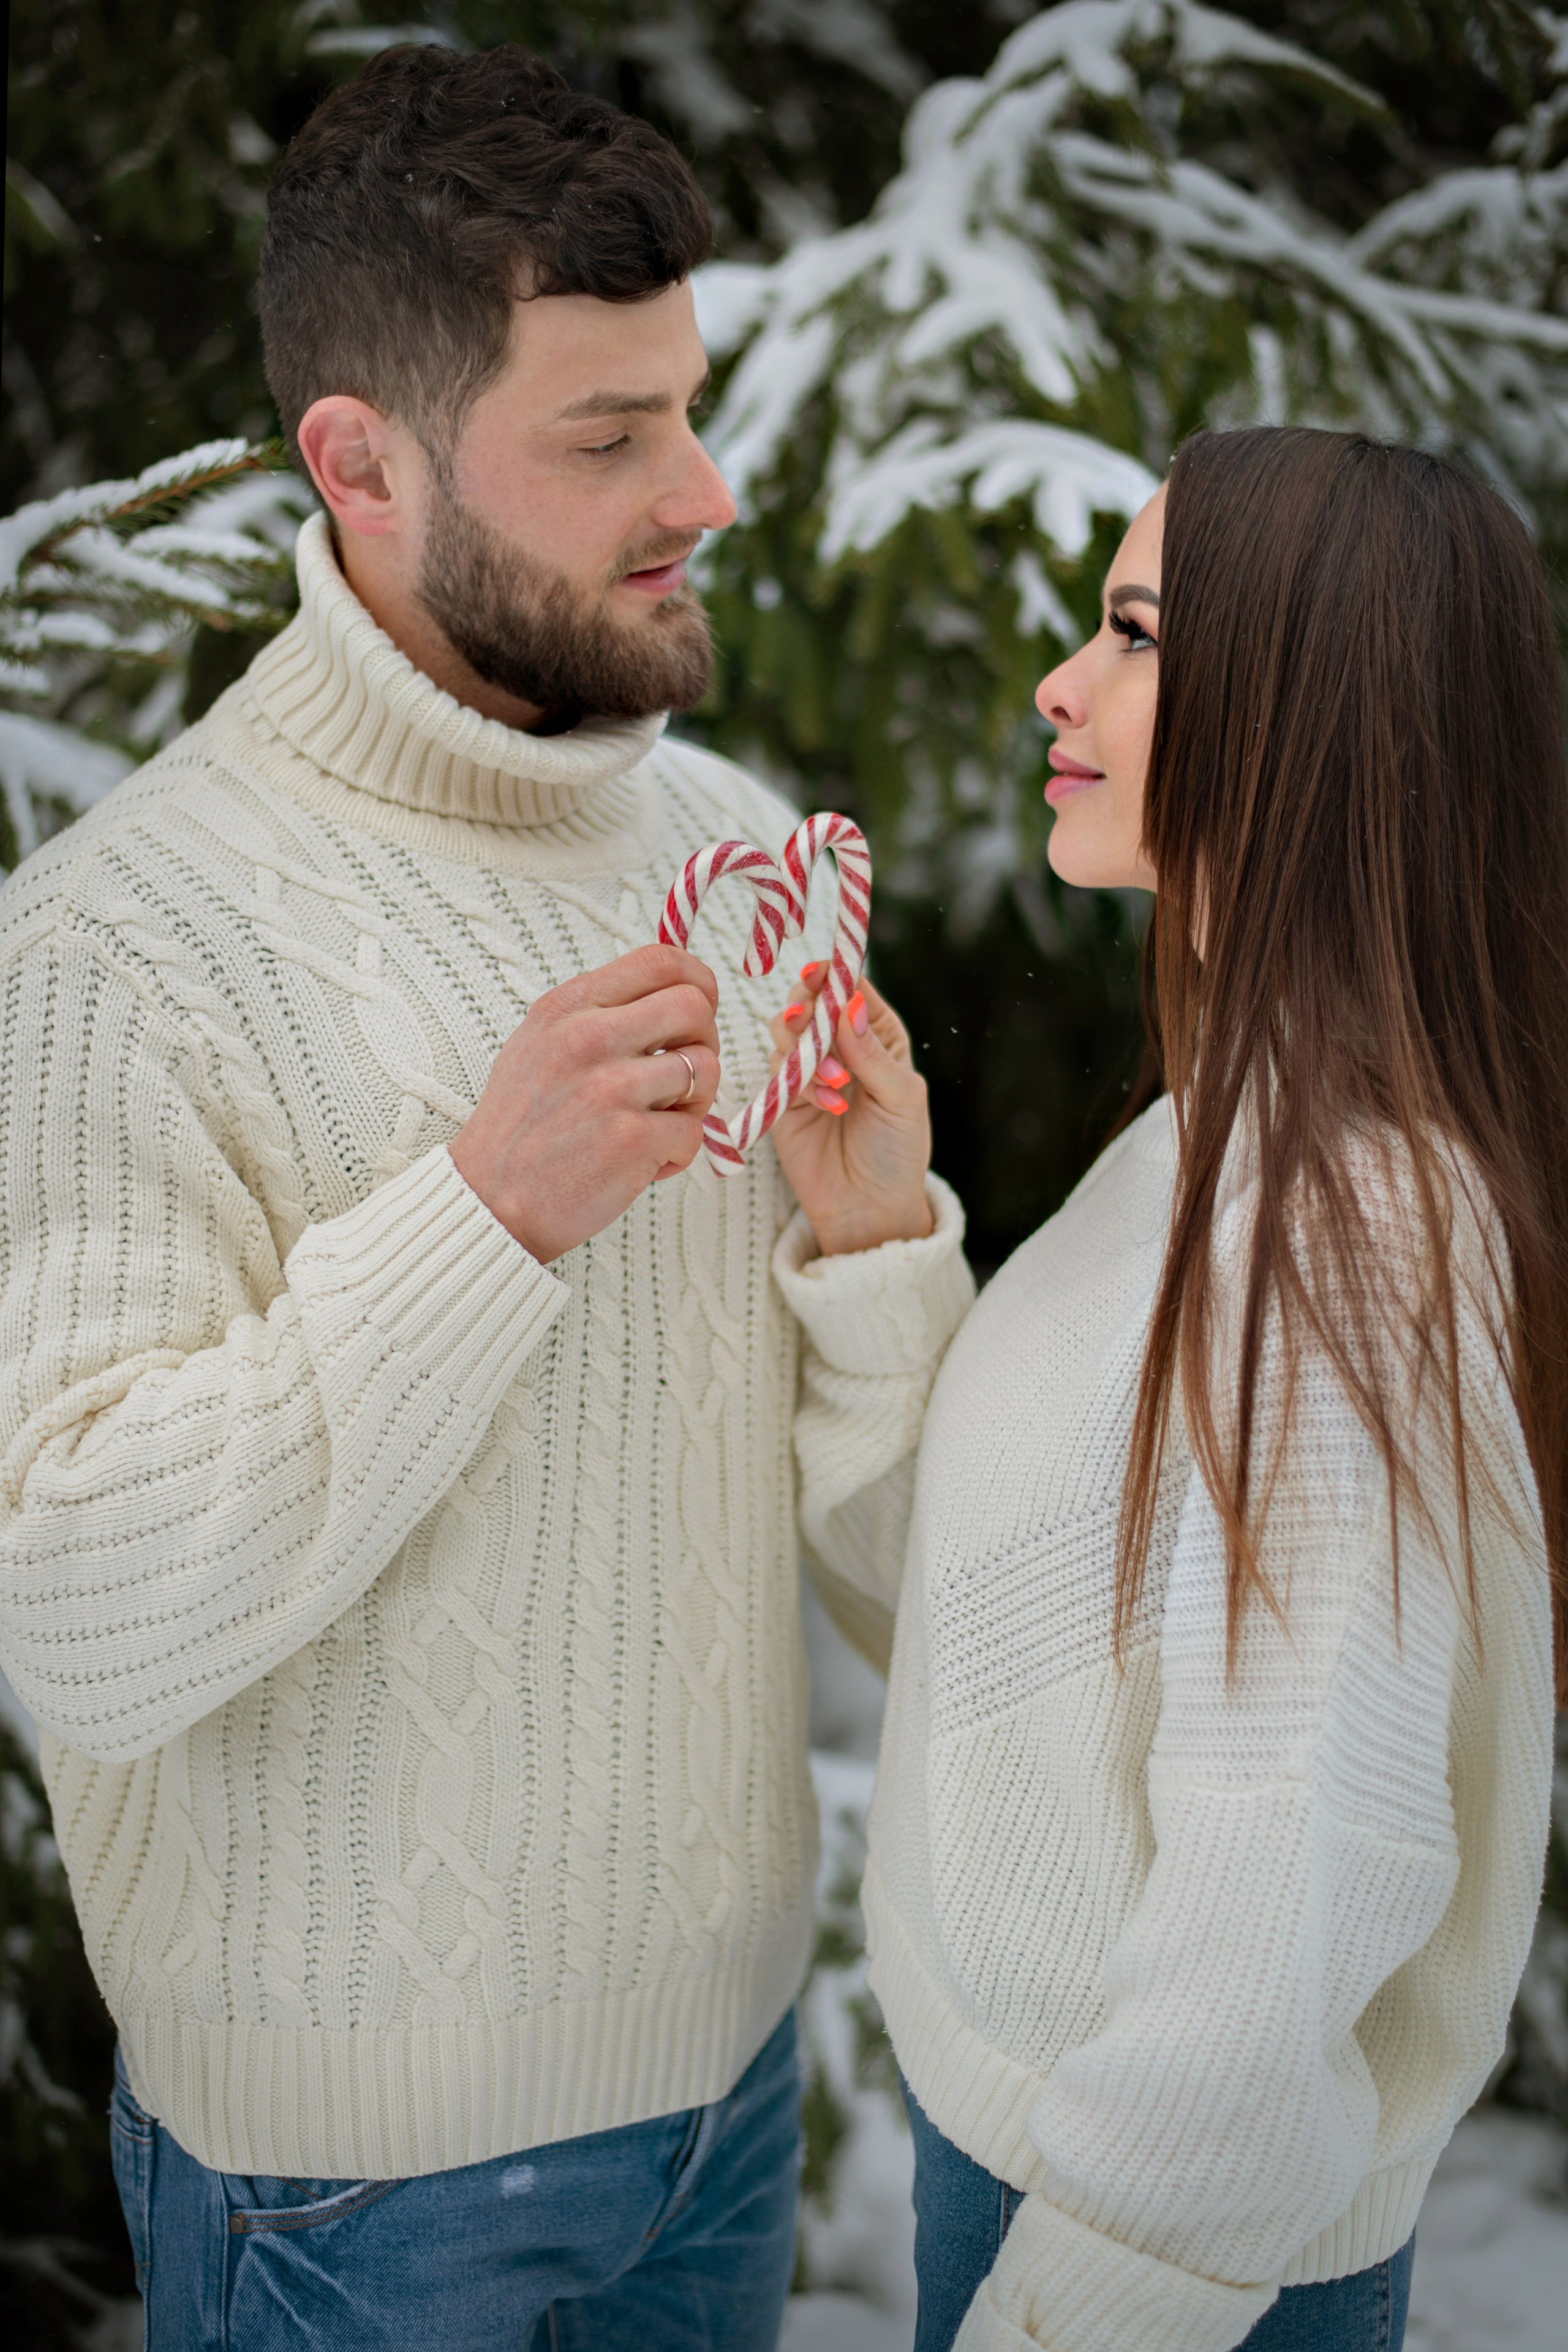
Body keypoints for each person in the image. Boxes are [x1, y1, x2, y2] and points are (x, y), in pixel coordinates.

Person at [0, 44, 973, 2351]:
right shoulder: (120, 945)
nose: (707, 492)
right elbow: (76, 1608)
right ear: (363, 465)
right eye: (608, 440)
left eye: (690, 408)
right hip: (351, 2196)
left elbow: (923, 1598)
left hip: (724, 2119)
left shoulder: (735, 851)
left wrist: (877, 1259)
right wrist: (485, 1221)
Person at [781, 425, 1567, 2351]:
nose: (1063, 680)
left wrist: (1075, 2312)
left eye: (1139, 633)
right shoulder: (1222, 1139)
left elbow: (1294, 1876)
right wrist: (888, 1250)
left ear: (1317, 712)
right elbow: (1002, 1640)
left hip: (1156, 2252)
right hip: (1071, 2168)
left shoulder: (1345, 1233)